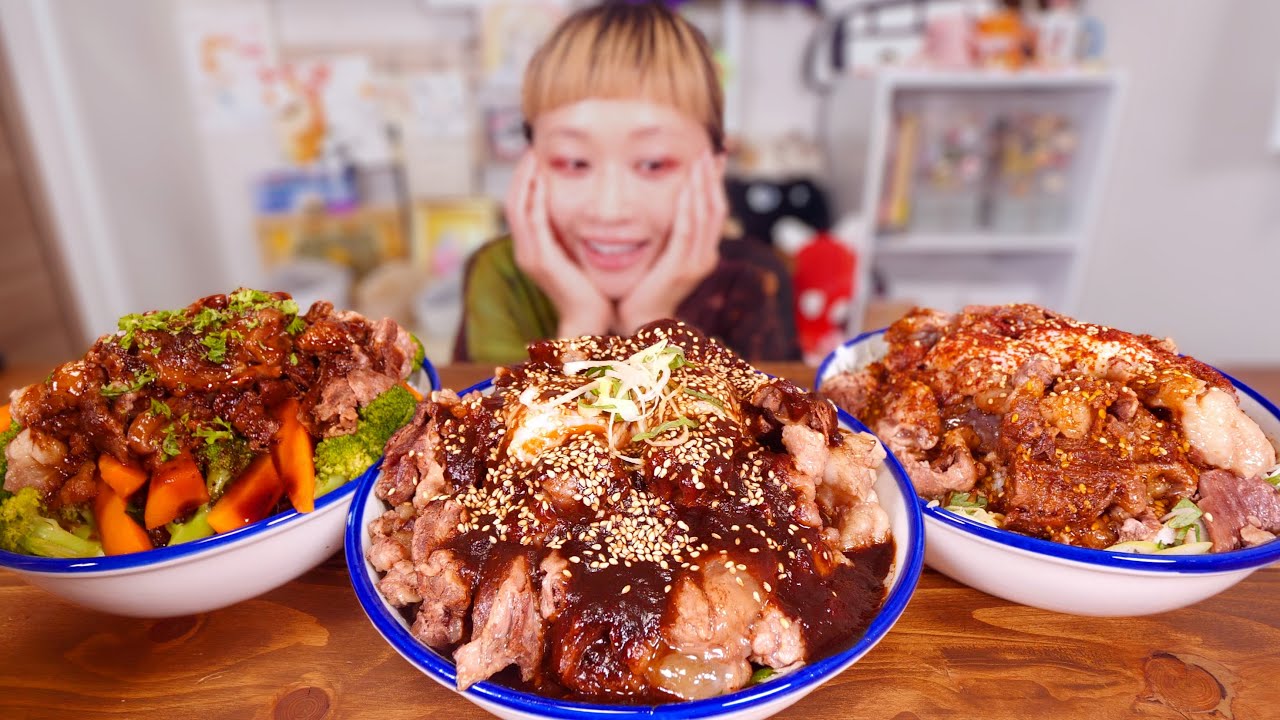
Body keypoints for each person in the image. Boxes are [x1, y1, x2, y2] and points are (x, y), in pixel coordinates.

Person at [455, 0, 800, 364]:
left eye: (653, 164)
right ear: (530, 164)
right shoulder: (500, 275)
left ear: (714, 167)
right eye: (574, 162)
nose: (610, 210)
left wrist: (651, 320)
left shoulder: (753, 279)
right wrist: (582, 323)